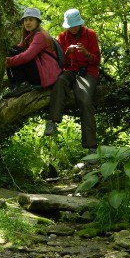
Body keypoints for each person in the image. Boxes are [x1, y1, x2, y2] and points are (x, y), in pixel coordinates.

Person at [43, 8, 100, 155]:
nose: (73, 29)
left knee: (85, 100)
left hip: (88, 72)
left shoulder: (90, 34)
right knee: (60, 81)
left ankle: (91, 147)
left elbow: (96, 60)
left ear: (80, 24)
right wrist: (66, 55)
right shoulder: (62, 37)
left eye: (75, 25)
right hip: (70, 71)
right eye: (71, 26)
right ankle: (52, 121)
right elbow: (62, 64)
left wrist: (86, 54)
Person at [4, 8, 62, 98]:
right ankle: (17, 84)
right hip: (39, 71)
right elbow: (19, 47)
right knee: (13, 49)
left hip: (45, 75)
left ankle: (22, 85)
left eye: (31, 20)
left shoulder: (40, 35)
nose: (27, 23)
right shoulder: (29, 35)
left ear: (37, 22)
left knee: (16, 53)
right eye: (25, 20)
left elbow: (27, 56)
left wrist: (8, 62)